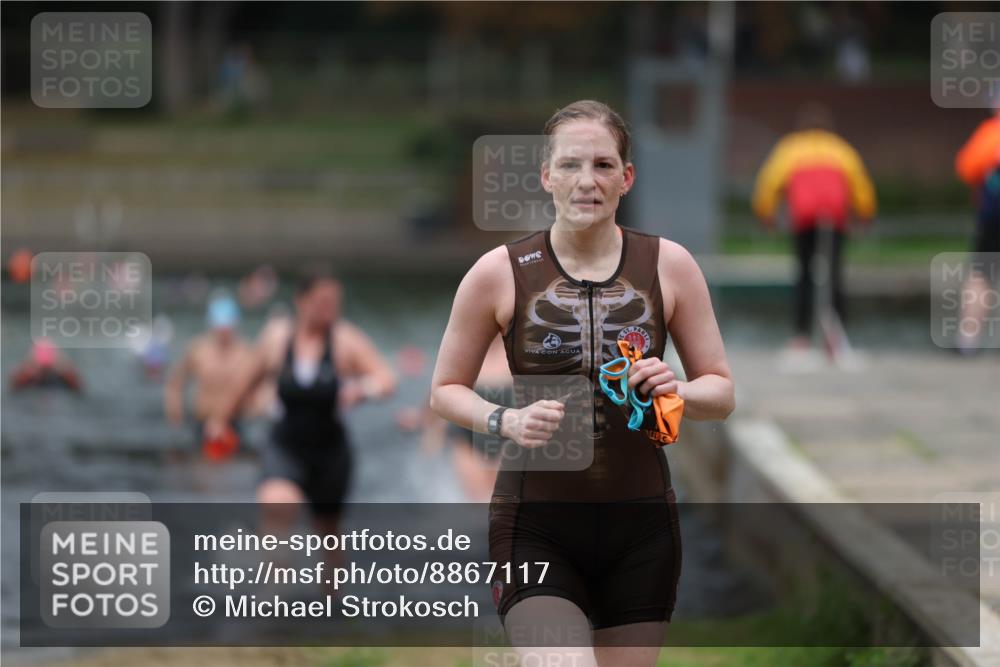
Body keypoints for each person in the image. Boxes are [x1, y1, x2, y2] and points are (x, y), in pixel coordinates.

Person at [430, 100, 735, 667]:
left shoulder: (670, 266)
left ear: (626, 177)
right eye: (570, 165)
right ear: (547, 176)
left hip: (642, 527)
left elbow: (721, 393)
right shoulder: (499, 273)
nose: (586, 181)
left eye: (602, 164)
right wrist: (505, 420)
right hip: (536, 525)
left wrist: (678, 391)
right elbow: (445, 388)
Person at [207, 268, 396, 539]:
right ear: (301, 301)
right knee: (278, 509)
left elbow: (386, 378)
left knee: (329, 537)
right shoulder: (276, 338)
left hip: (330, 452)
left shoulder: (345, 339)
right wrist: (219, 420)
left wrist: (363, 389)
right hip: (286, 446)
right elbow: (244, 381)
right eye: (322, 303)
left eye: (334, 304)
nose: (328, 310)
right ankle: (275, 578)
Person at [752, 103, 877, 350]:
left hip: (804, 219)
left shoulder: (791, 148)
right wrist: (865, 215)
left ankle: (801, 335)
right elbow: (861, 187)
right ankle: (835, 335)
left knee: (804, 275)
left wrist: (767, 214)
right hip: (834, 219)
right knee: (835, 276)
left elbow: (769, 183)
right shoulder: (840, 149)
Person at [164, 295, 261, 450]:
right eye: (220, 327)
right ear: (212, 325)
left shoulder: (247, 354)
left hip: (234, 424)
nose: (223, 332)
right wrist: (176, 416)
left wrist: (253, 410)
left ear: (235, 325)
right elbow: (175, 383)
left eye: (227, 327)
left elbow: (258, 391)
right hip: (200, 424)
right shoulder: (198, 350)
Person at [954, 106, 1000, 355]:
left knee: (981, 276)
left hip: (992, 218)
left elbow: (966, 168)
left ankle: (968, 340)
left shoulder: (991, 132)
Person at [10, 338, 82, 392]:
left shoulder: (63, 377)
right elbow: (14, 386)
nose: (44, 371)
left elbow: (78, 388)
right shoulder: (28, 377)